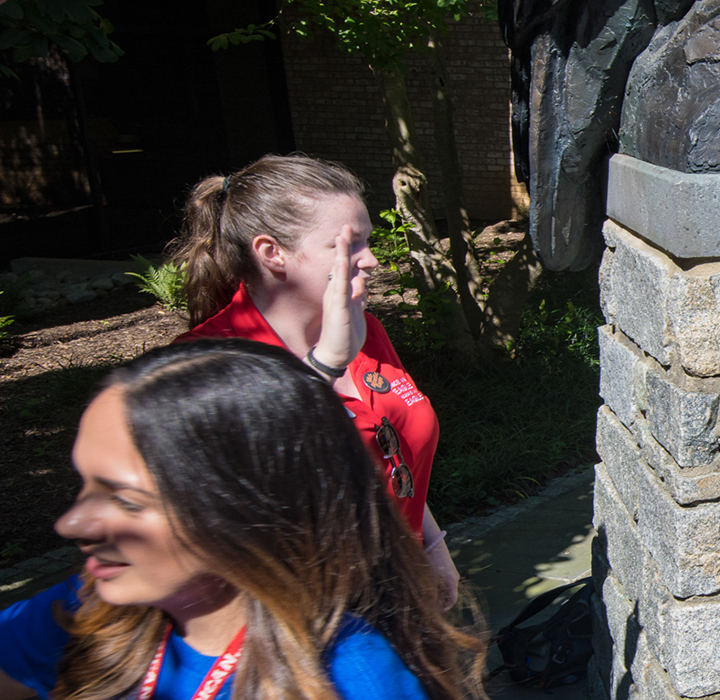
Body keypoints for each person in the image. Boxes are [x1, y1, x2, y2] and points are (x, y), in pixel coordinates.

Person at [0, 340, 487, 700]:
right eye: (85, 484)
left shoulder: (352, 681)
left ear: (250, 509)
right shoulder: (88, 611)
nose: (72, 524)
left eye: (126, 500)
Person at [168, 155, 459, 603]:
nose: (373, 261)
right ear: (272, 253)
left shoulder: (363, 330)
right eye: (349, 245)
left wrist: (434, 550)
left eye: (369, 241)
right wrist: (325, 367)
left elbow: (392, 456)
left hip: (397, 595)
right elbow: (236, 503)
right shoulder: (204, 364)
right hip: (298, 621)